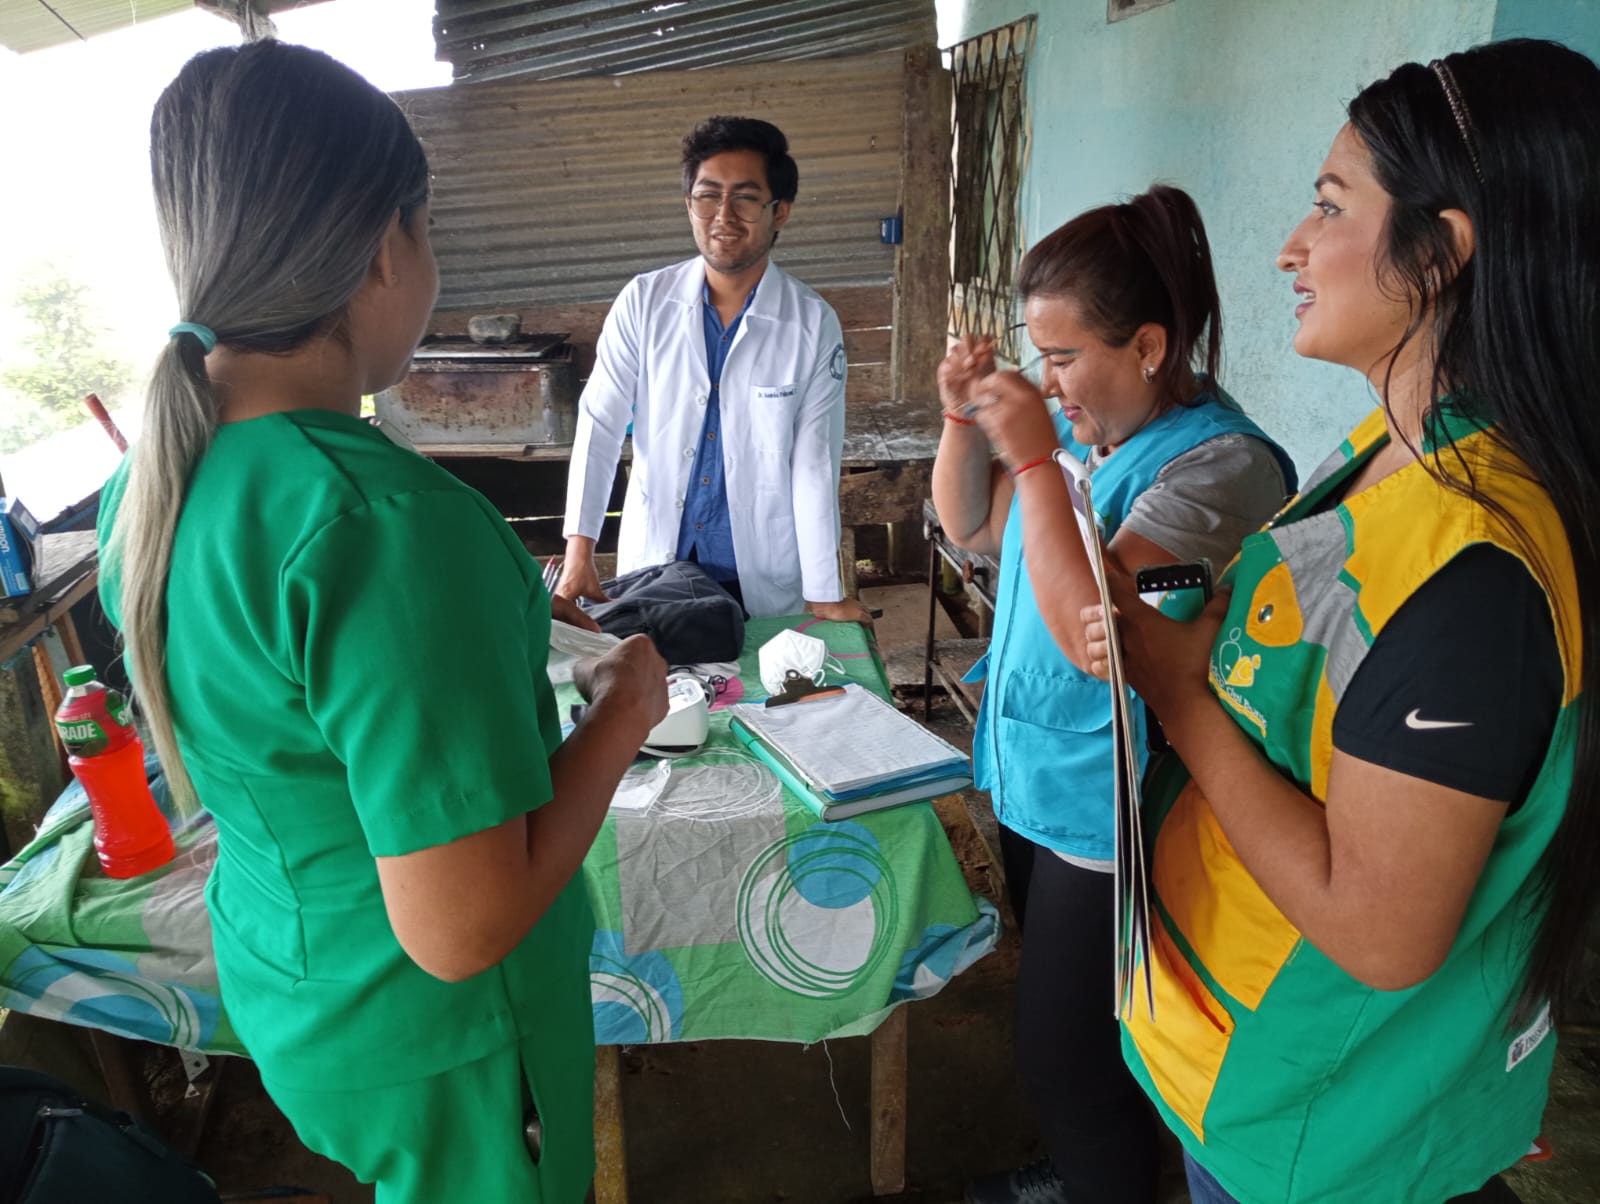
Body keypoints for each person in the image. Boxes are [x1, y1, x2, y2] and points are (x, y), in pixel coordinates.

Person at [98, 41, 669, 1204]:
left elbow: (300, 713)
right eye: (429, 227)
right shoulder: (385, 522)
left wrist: (498, 630)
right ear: (381, 250)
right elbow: (463, 928)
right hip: (447, 1043)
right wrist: (623, 712)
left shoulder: (153, 485)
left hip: (299, 985)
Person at [1082, 39, 1600, 1204]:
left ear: (1440, 253)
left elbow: (1380, 931)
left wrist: (1175, 691)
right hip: (1245, 1047)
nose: (1290, 248)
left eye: (1328, 206)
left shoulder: (1476, 575)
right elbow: (1289, 613)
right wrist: (1171, 605)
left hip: (1327, 1122)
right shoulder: (1395, 447)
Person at [933, 185, 1295, 1204]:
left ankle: (1107, 1180)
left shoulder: (1220, 468)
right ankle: (1091, 1170)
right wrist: (964, 419)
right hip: (1039, 772)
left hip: (1119, 807)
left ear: (1146, 346)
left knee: (1069, 1056)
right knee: (1086, 1041)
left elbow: (1095, 630)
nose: (1047, 381)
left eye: (1063, 357)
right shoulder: (1082, 431)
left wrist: (1034, 459)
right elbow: (971, 524)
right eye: (1038, 357)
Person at [558, 115, 869, 622]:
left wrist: (823, 592)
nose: (723, 215)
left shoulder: (812, 322)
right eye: (708, 196)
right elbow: (600, 425)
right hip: (657, 566)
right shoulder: (644, 302)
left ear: (780, 211)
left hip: (758, 572)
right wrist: (580, 551)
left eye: (745, 198)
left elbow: (814, 462)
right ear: (689, 205)